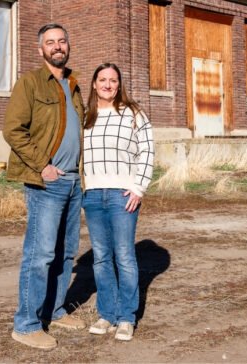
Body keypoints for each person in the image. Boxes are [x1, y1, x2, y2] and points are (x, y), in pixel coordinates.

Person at [3, 23, 86, 350]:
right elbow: (13, 129)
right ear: (41, 50)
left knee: (66, 254)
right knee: (40, 255)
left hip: (74, 181)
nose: (57, 46)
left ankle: (55, 309)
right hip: (47, 182)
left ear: (68, 45)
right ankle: (26, 324)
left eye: (62, 41)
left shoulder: (75, 84)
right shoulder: (30, 83)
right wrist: (43, 165)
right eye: (50, 42)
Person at [82, 63, 155, 341]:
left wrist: (138, 187)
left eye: (113, 80)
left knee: (124, 256)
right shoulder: (85, 116)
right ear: (94, 84)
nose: (108, 85)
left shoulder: (133, 113)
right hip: (93, 195)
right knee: (101, 257)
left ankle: (126, 317)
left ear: (119, 84)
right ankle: (106, 314)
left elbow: (147, 150)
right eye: (103, 80)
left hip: (122, 195)